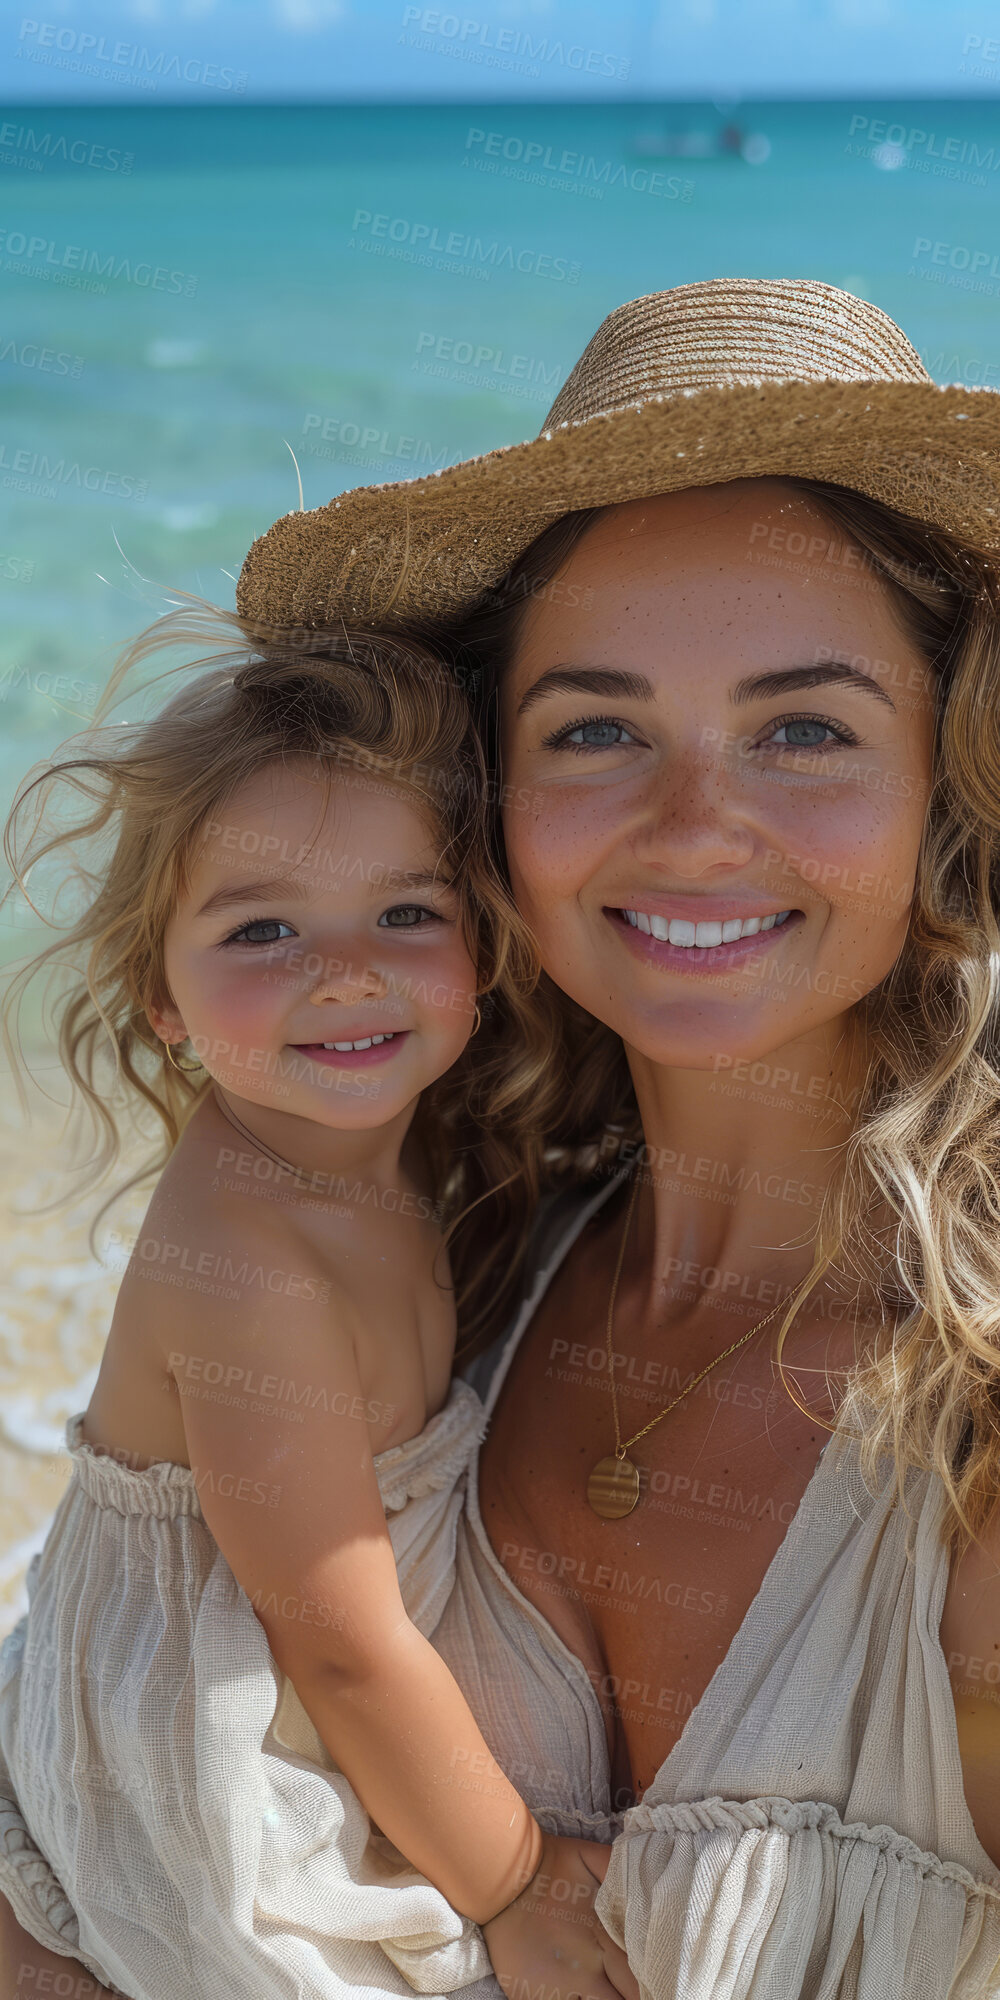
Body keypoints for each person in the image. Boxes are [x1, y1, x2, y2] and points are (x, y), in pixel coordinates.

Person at [5, 276, 1000, 1999]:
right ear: (492, 810)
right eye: (597, 729)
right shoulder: (448, 1240)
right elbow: (76, 1789)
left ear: (952, 794)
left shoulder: (967, 1408)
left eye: (807, 730)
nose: (697, 828)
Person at [0, 628, 628, 1999]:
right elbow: (335, 1644)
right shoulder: (252, 1266)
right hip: (204, 1725)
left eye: (407, 913)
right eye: (263, 929)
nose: (346, 972)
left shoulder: (370, 1139)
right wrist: (517, 1885)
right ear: (159, 996)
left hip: (303, 1655)